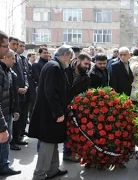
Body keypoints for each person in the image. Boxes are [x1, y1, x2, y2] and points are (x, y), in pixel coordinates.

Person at [28, 45, 74, 180]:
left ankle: (53, 170)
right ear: (65, 55)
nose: (70, 60)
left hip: (49, 113)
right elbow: (51, 92)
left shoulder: (52, 65)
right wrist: (58, 112)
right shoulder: (54, 67)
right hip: (50, 114)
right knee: (47, 145)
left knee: (53, 142)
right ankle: (39, 174)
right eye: (70, 57)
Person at [63, 52, 91, 161]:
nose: (87, 67)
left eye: (89, 64)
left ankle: (69, 153)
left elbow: (87, 93)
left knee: (73, 131)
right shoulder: (66, 70)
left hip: (76, 108)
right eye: (85, 63)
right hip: (63, 104)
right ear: (78, 61)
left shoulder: (86, 77)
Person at [0, 35, 21, 175]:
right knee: (4, 141)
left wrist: (14, 110)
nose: (8, 49)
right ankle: (3, 166)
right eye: (6, 46)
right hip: (2, 114)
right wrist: (2, 127)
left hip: (6, 111)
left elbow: (10, 93)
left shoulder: (5, 69)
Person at [10, 38, 29, 150]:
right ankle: (12, 141)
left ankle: (17, 138)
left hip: (22, 93)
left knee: (20, 118)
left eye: (18, 44)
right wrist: (16, 89)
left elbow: (24, 73)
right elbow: (9, 77)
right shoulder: (7, 57)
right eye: (14, 44)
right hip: (14, 93)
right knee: (14, 119)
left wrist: (26, 85)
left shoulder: (19, 58)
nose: (16, 46)